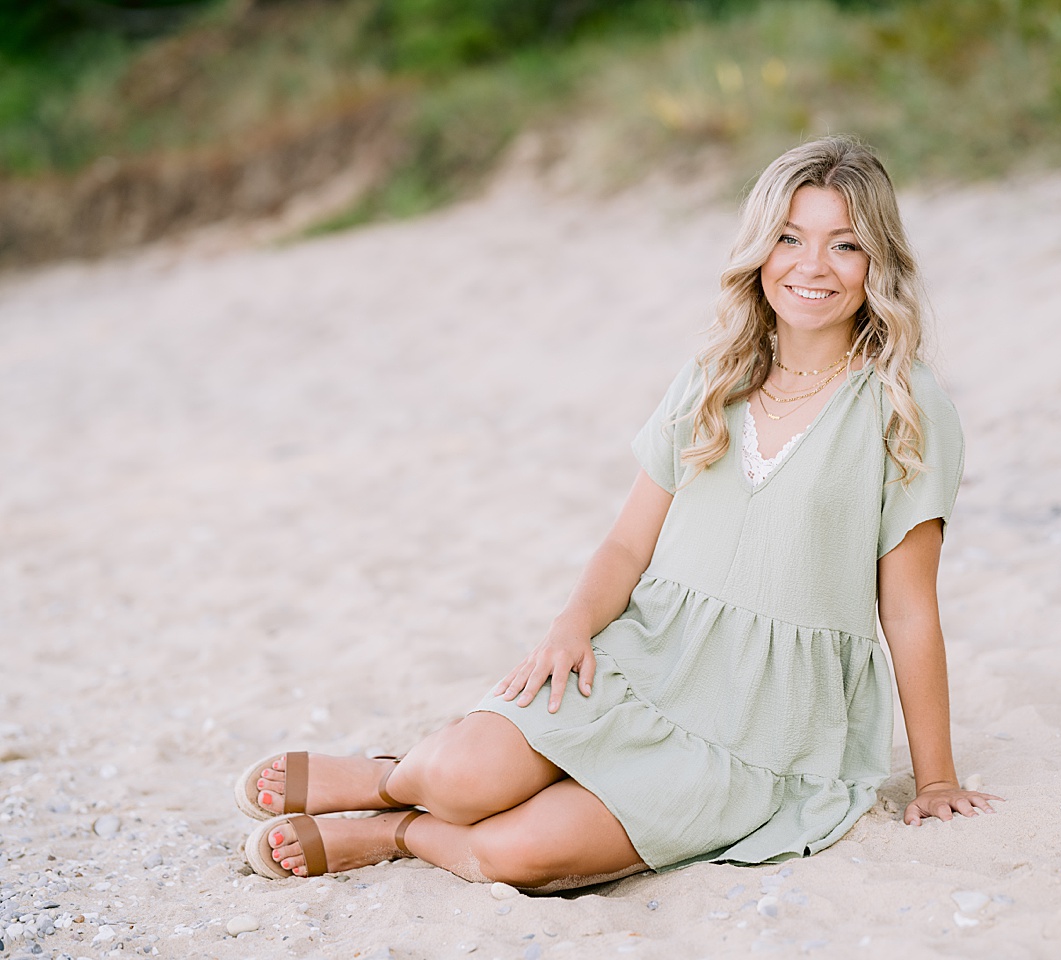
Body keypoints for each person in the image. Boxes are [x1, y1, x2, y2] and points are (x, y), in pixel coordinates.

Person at [236, 135, 1002, 890]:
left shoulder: (905, 407)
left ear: (878, 262)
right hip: (649, 656)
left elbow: (907, 612)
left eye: (844, 245)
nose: (811, 265)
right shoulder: (714, 377)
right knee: (467, 779)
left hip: (766, 722)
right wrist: (569, 628)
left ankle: (396, 834)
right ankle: (391, 780)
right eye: (789, 237)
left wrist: (936, 779)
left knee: (516, 853)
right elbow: (629, 544)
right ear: (759, 251)